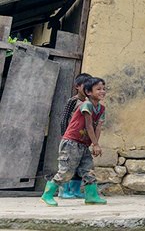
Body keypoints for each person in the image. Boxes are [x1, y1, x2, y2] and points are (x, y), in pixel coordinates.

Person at [40, 77, 107, 206]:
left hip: (83, 144)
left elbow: (98, 127)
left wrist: (95, 144)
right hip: (71, 142)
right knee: (67, 170)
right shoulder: (86, 105)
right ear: (88, 92)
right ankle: (47, 194)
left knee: (88, 169)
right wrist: (96, 144)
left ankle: (91, 196)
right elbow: (88, 125)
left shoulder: (102, 109)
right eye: (98, 89)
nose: (102, 91)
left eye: (104, 89)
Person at [58, 72, 92, 199]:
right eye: (85, 86)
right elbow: (64, 118)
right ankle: (63, 191)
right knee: (68, 164)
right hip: (70, 139)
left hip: (81, 140)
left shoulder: (89, 104)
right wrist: (64, 135)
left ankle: (75, 190)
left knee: (78, 165)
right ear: (77, 86)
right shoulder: (73, 101)